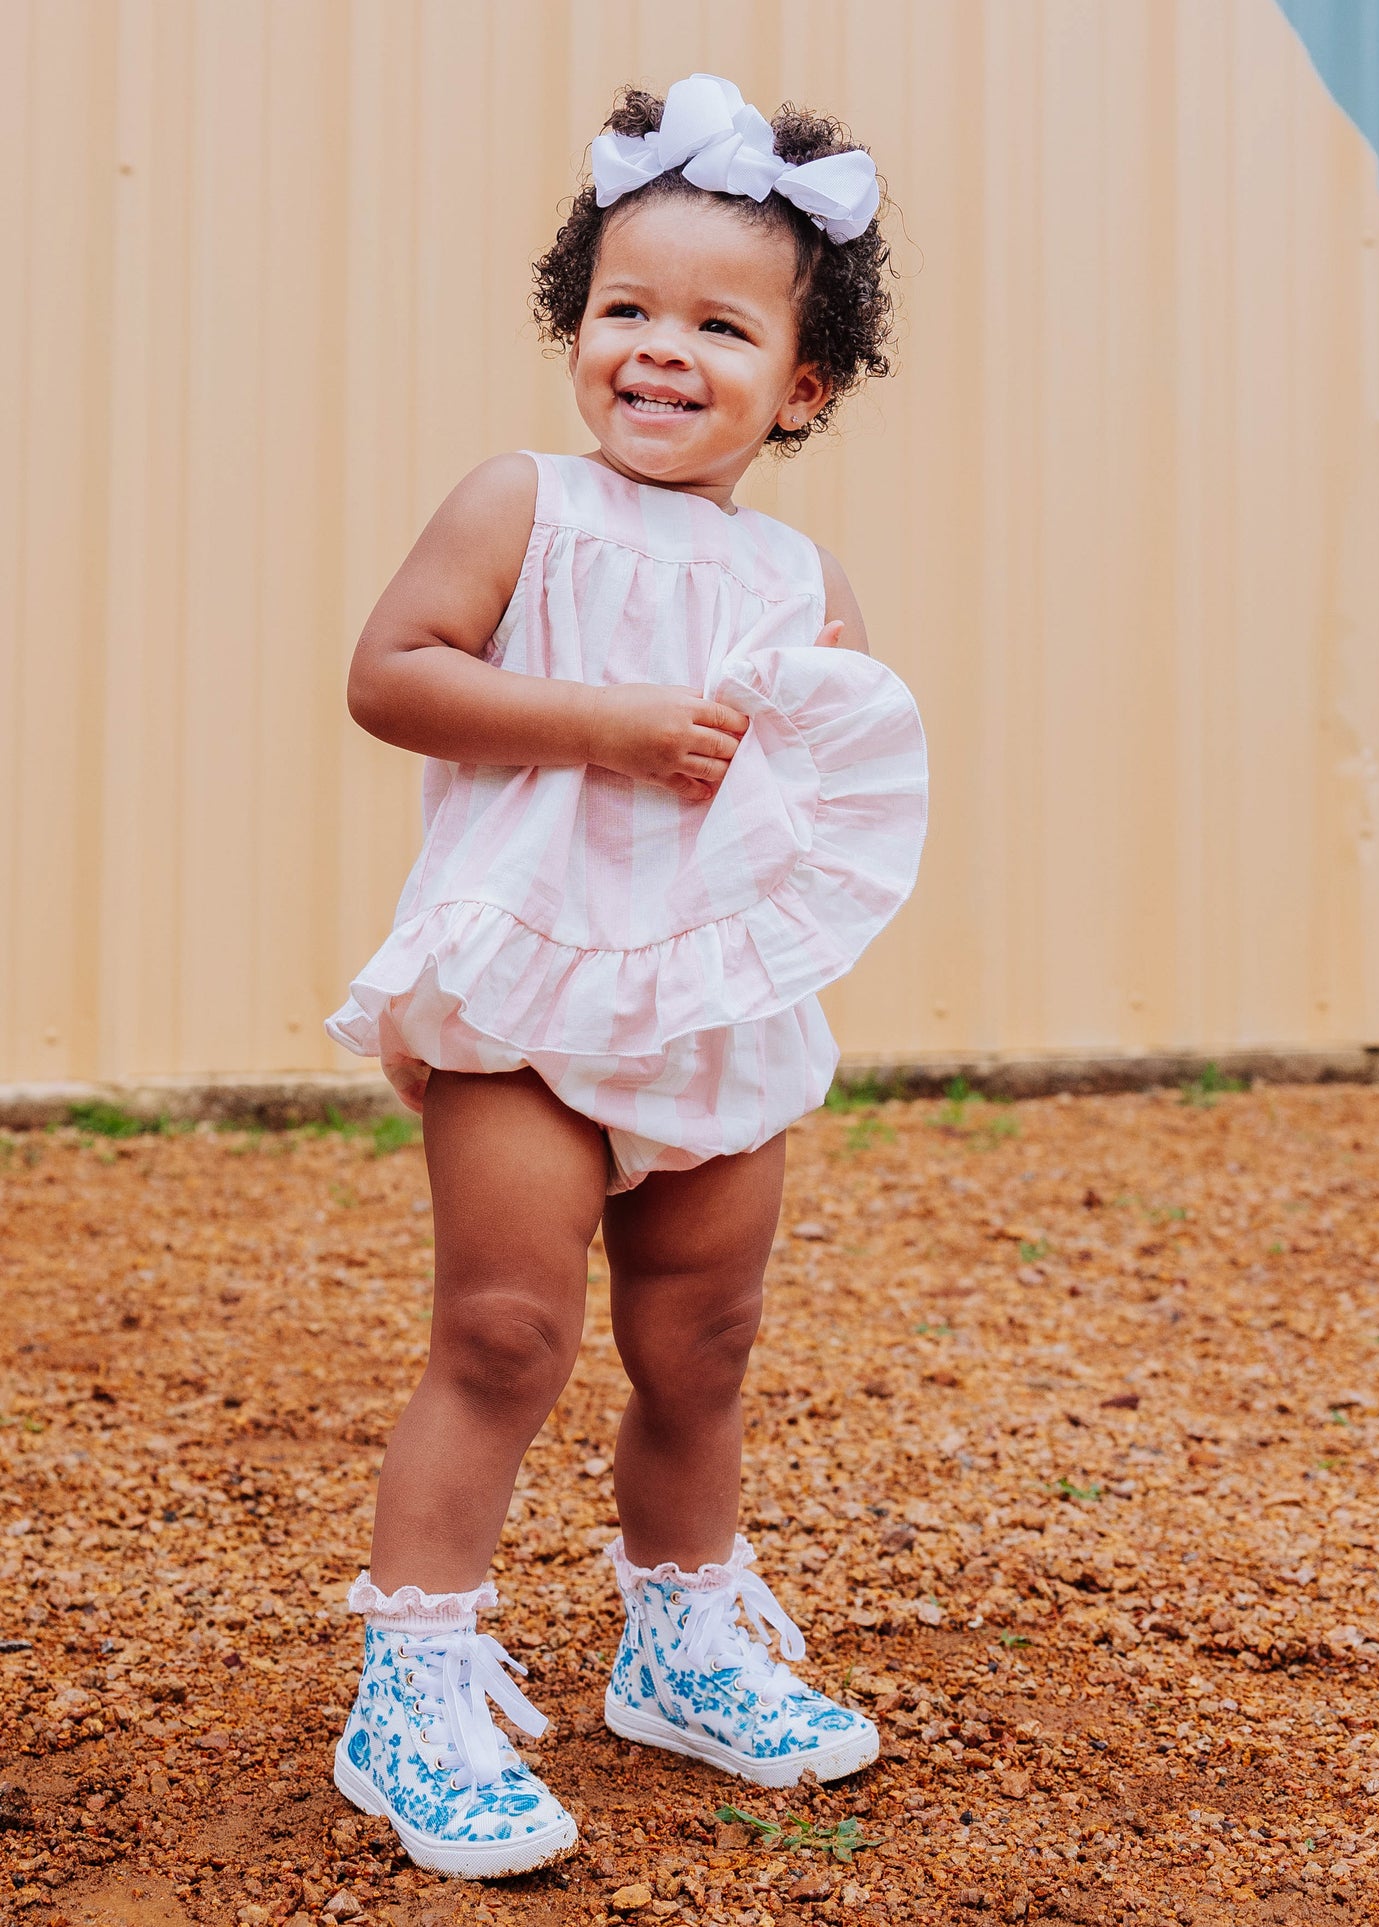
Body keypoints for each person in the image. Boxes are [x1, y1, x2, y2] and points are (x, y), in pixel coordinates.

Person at [324, 72, 928, 1879]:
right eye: (625, 312)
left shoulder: (797, 574)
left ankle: (680, 1644)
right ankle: (412, 1685)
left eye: (718, 327)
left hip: (709, 1000)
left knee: (703, 1342)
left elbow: (830, 773)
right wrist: (607, 725)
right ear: (575, 329)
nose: (659, 352)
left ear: (802, 386)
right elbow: (393, 675)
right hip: (529, 985)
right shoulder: (523, 506)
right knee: (504, 1332)